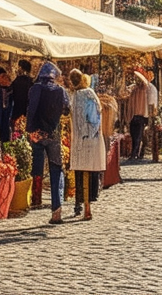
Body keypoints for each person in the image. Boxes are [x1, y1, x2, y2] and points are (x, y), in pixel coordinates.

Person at [26, 62, 70, 222]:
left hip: (37, 133)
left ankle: (33, 199)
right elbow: (67, 108)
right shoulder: (60, 90)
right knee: (55, 169)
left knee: (36, 169)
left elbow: (31, 109)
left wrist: (30, 129)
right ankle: (56, 209)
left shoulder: (35, 89)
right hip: (54, 134)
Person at [67, 69, 105, 222]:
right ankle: (86, 206)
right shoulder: (89, 94)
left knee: (80, 172)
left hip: (80, 139)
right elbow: (96, 116)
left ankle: (80, 205)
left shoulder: (75, 96)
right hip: (90, 138)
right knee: (87, 172)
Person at [126, 70, 157, 160]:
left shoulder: (145, 88)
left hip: (141, 115)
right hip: (134, 115)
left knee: (138, 136)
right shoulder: (135, 89)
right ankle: (136, 153)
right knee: (134, 135)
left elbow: (151, 102)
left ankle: (134, 154)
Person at [11, 59, 34, 127]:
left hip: (16, 111)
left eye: (18, 67)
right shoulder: (31, 82)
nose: (17, 69)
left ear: (21, 68)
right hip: (27, 112)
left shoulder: (17, 81)